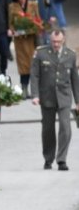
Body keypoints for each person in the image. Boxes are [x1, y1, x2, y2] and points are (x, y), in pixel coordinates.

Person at [31, 29, 79, 171]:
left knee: (66, 128)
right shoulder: (41, 53)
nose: (56, 44)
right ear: (50, 40)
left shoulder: (70, 55)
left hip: (64, 97)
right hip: (47, 97)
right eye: (53, 41)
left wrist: (78, 100)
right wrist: (35, 95)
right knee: (48, 130)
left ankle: (61, 159)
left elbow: (75, 80)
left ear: (63, 40)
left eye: (58, 41)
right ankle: (48, 158)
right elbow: (35, 76)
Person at [8, 0, 40, 96]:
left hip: (31, 39)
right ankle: (24, 89)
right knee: (23, 66)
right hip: (20, 41)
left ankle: (34, 90)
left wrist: (32, 29)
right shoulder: (12, 6)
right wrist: (13, 31)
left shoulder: (33, 4)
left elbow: (38, 20)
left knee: (33, 64)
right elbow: (11, 22)